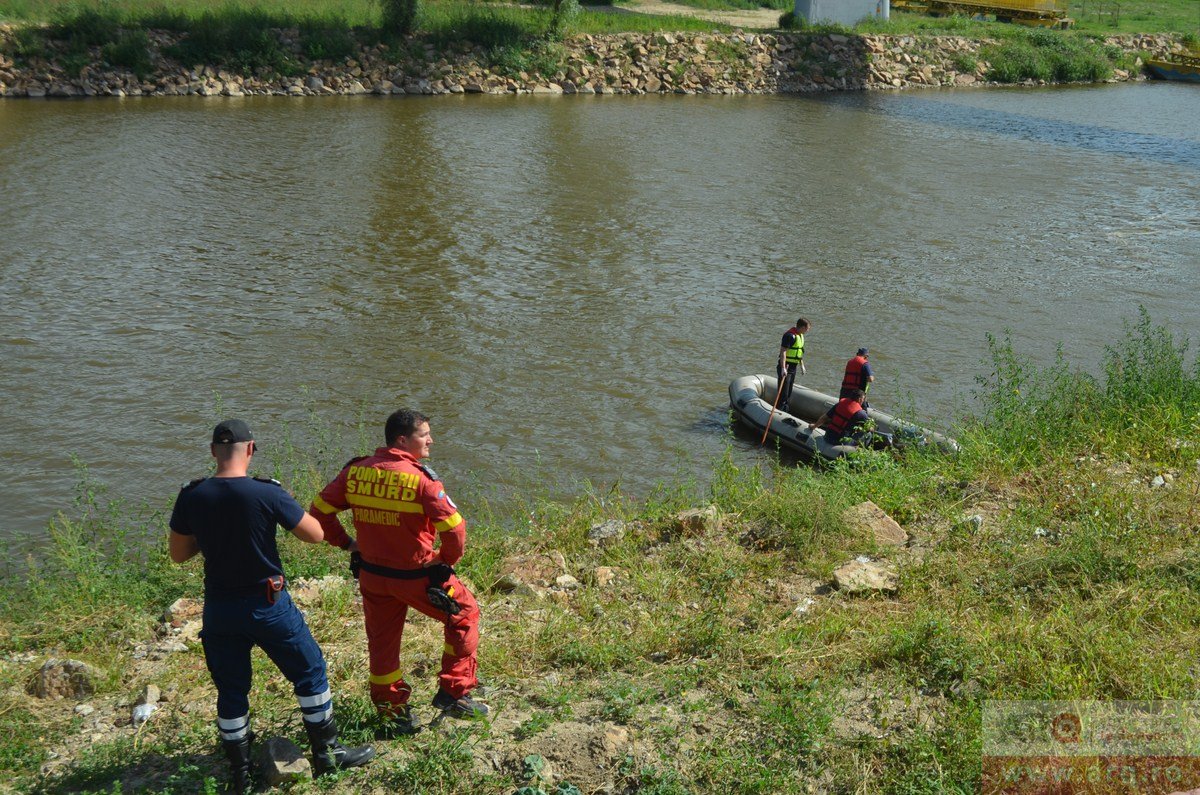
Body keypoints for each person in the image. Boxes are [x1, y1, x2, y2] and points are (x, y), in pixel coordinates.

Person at [169, 420, 374, 795]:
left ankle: (240, 773)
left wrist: (212, 535)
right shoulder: (267, 493)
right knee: (309, 670)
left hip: (220, 609)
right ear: (251, 449)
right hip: (268, 604)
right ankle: (328, 754)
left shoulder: (191, 496)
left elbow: (179, 555)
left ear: (213, 451)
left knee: (231, 689)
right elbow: (314, 535)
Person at [309, 408, 486, 736]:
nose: (431, 439)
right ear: (403, 440)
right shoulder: (421, 480)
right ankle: (454, 692)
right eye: (424, 435)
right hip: (418, 575)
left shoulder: (356, 472)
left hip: (372, 577)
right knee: (464, 616)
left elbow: (319, 512)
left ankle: (393, 713)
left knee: (382, 643)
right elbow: (456, 530)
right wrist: (445, 560)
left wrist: (347, 544)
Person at [776, 317, 811, 413]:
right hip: (786, 366)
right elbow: (783, 351)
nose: (808, 330)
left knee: (789, 390)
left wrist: (801, 365)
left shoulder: (800, 336)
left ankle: (785, 409)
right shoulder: (790, 336)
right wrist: (783, 368)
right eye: (807, 328)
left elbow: (798, 352)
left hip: (793, 367)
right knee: (784, 391)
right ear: (802, 327)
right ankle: (779, 410)